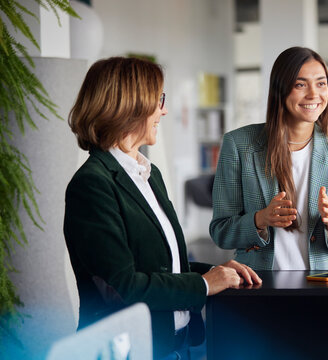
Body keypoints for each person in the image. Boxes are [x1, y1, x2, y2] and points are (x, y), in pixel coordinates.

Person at [63, 57, 261, 360]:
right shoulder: (92, 184)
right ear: (131, 104)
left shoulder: (148, 175)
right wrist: (205, 284)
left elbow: (161, 266)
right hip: (129, 351)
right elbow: (124, 286)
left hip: (174, 345)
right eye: (159, 100)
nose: (164, 110)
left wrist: (216, 272)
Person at [210, 47, 328, 270]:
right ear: (280, 90)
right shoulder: (238, 145)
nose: (313, 94)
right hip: (256, 285)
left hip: (319, 287)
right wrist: (261, 219)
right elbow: (221, 232)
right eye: (300, 84)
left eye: (321, 83)